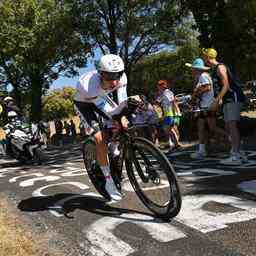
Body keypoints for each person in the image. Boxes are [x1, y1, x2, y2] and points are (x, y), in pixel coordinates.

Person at [74, 54, 129, 201]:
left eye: (117, 75)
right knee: (99, 137)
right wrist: (119, 116)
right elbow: (107, 110)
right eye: (110, 77)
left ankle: (113, 149)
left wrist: (124, 114)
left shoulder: (122, 78)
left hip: (102, 98)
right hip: (85, 104)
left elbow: (122, 101)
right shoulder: (89, 85)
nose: (114, 81)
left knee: (122, 123)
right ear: (100, 74)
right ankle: (108, 181)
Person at [202, 48, 247, 164]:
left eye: (204, 56)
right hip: (227, 99)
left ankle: (236, 155)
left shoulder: (220, 68)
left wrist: (217, 100)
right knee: (228, 126)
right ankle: (239, 152)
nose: (203, 58)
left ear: (208, 57)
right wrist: (219, 99)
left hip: (233, 97)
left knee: (231, 125)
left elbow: (226, 85)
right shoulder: (214, 69)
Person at [185, 58, 227, 159]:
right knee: (201, 128)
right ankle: (202, 150)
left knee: (212, 127)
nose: (192, 70)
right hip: (204, 106)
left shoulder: (203, 76)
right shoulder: (201, 76)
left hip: (208, 106)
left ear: (197, 69)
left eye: (193, 68)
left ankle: (232, 139)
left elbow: (207, 87)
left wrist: (195, 93)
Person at [155, 80, 180, 151]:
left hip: (170, 113)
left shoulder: (167, 93)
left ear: (163, 86)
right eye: (158, 85)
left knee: (169, 129)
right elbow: (157, 102)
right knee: (168, 129)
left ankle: (176, 144)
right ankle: (174, 144)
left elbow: (173, 102)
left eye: (159, 86)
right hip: (167, 113)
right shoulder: (163, 93)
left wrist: (176, 114)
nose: (158, 87)